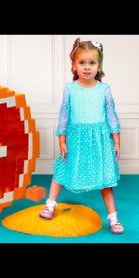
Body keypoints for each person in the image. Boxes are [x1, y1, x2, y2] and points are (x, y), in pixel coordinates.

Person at [39, 38, 124, 234]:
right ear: (74, 65)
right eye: (82, 63)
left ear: (99, 66)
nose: (87, 67)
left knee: (106, 180)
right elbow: (64, 113)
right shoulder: (71, 89)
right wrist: (62, 138)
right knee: (62, 171)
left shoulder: (104, 89)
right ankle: (50, 204)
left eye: (92, 63)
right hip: (76, 138)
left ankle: (113, 218)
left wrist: (116, 139)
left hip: (99, 140)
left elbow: (111, 113)